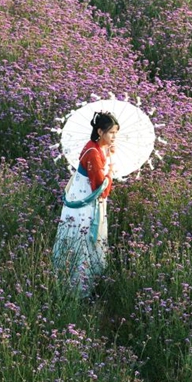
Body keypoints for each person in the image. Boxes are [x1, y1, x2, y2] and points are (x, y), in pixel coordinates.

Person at [52, 111, 119, 297]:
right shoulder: (93, 154)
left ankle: (79, 282)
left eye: (116, 133)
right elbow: (101, 189)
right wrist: (111, 171)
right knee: (84, 238)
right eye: (111, 132)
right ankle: (80, 289)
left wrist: (108, 153)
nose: (114, 137)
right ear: (100, 131)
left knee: (77, 238)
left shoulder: (94, 147)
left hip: (80, 199)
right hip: (86, 205)